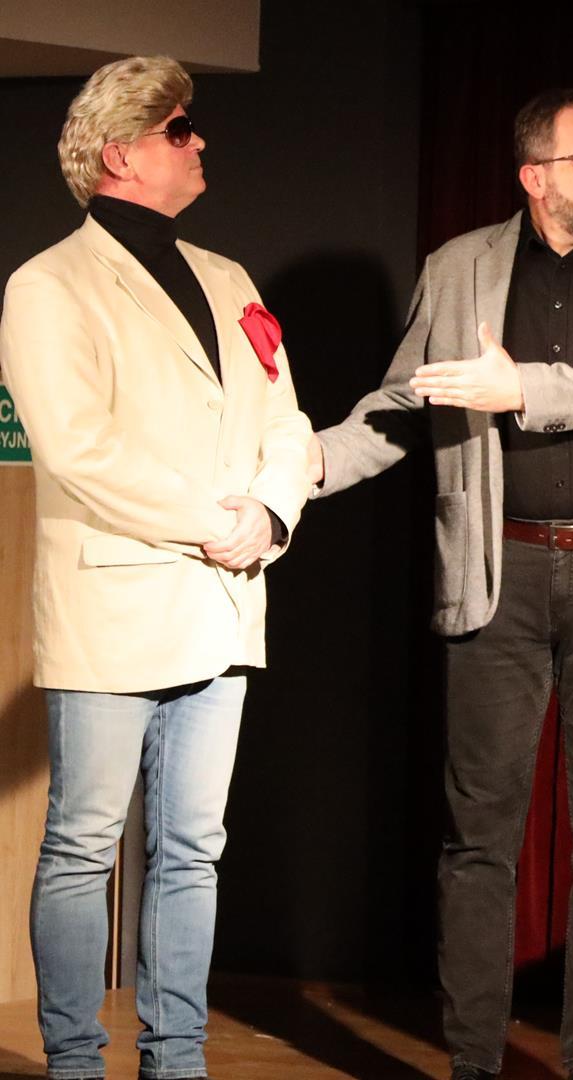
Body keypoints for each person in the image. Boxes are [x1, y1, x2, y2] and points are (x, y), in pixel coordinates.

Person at [307, 88, 573, 1080]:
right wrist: (302, 467)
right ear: (534, 176)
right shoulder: (459, 266)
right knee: (478, 835)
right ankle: (474, 1063)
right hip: (497, 572)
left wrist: (520, 386)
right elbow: (407, 401)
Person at [0, 55, 312, 1080]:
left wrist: (270, 512)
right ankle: (75, 1063)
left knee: (193, 849)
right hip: (117, 601)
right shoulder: (48, 285)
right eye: (180, 129)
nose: (199, 140)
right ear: (122, 154)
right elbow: (77, 448)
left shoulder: (229, 278)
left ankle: (177, 1059)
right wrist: (212, 523)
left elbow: (287, 421)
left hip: (222, 600)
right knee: (84, 843)